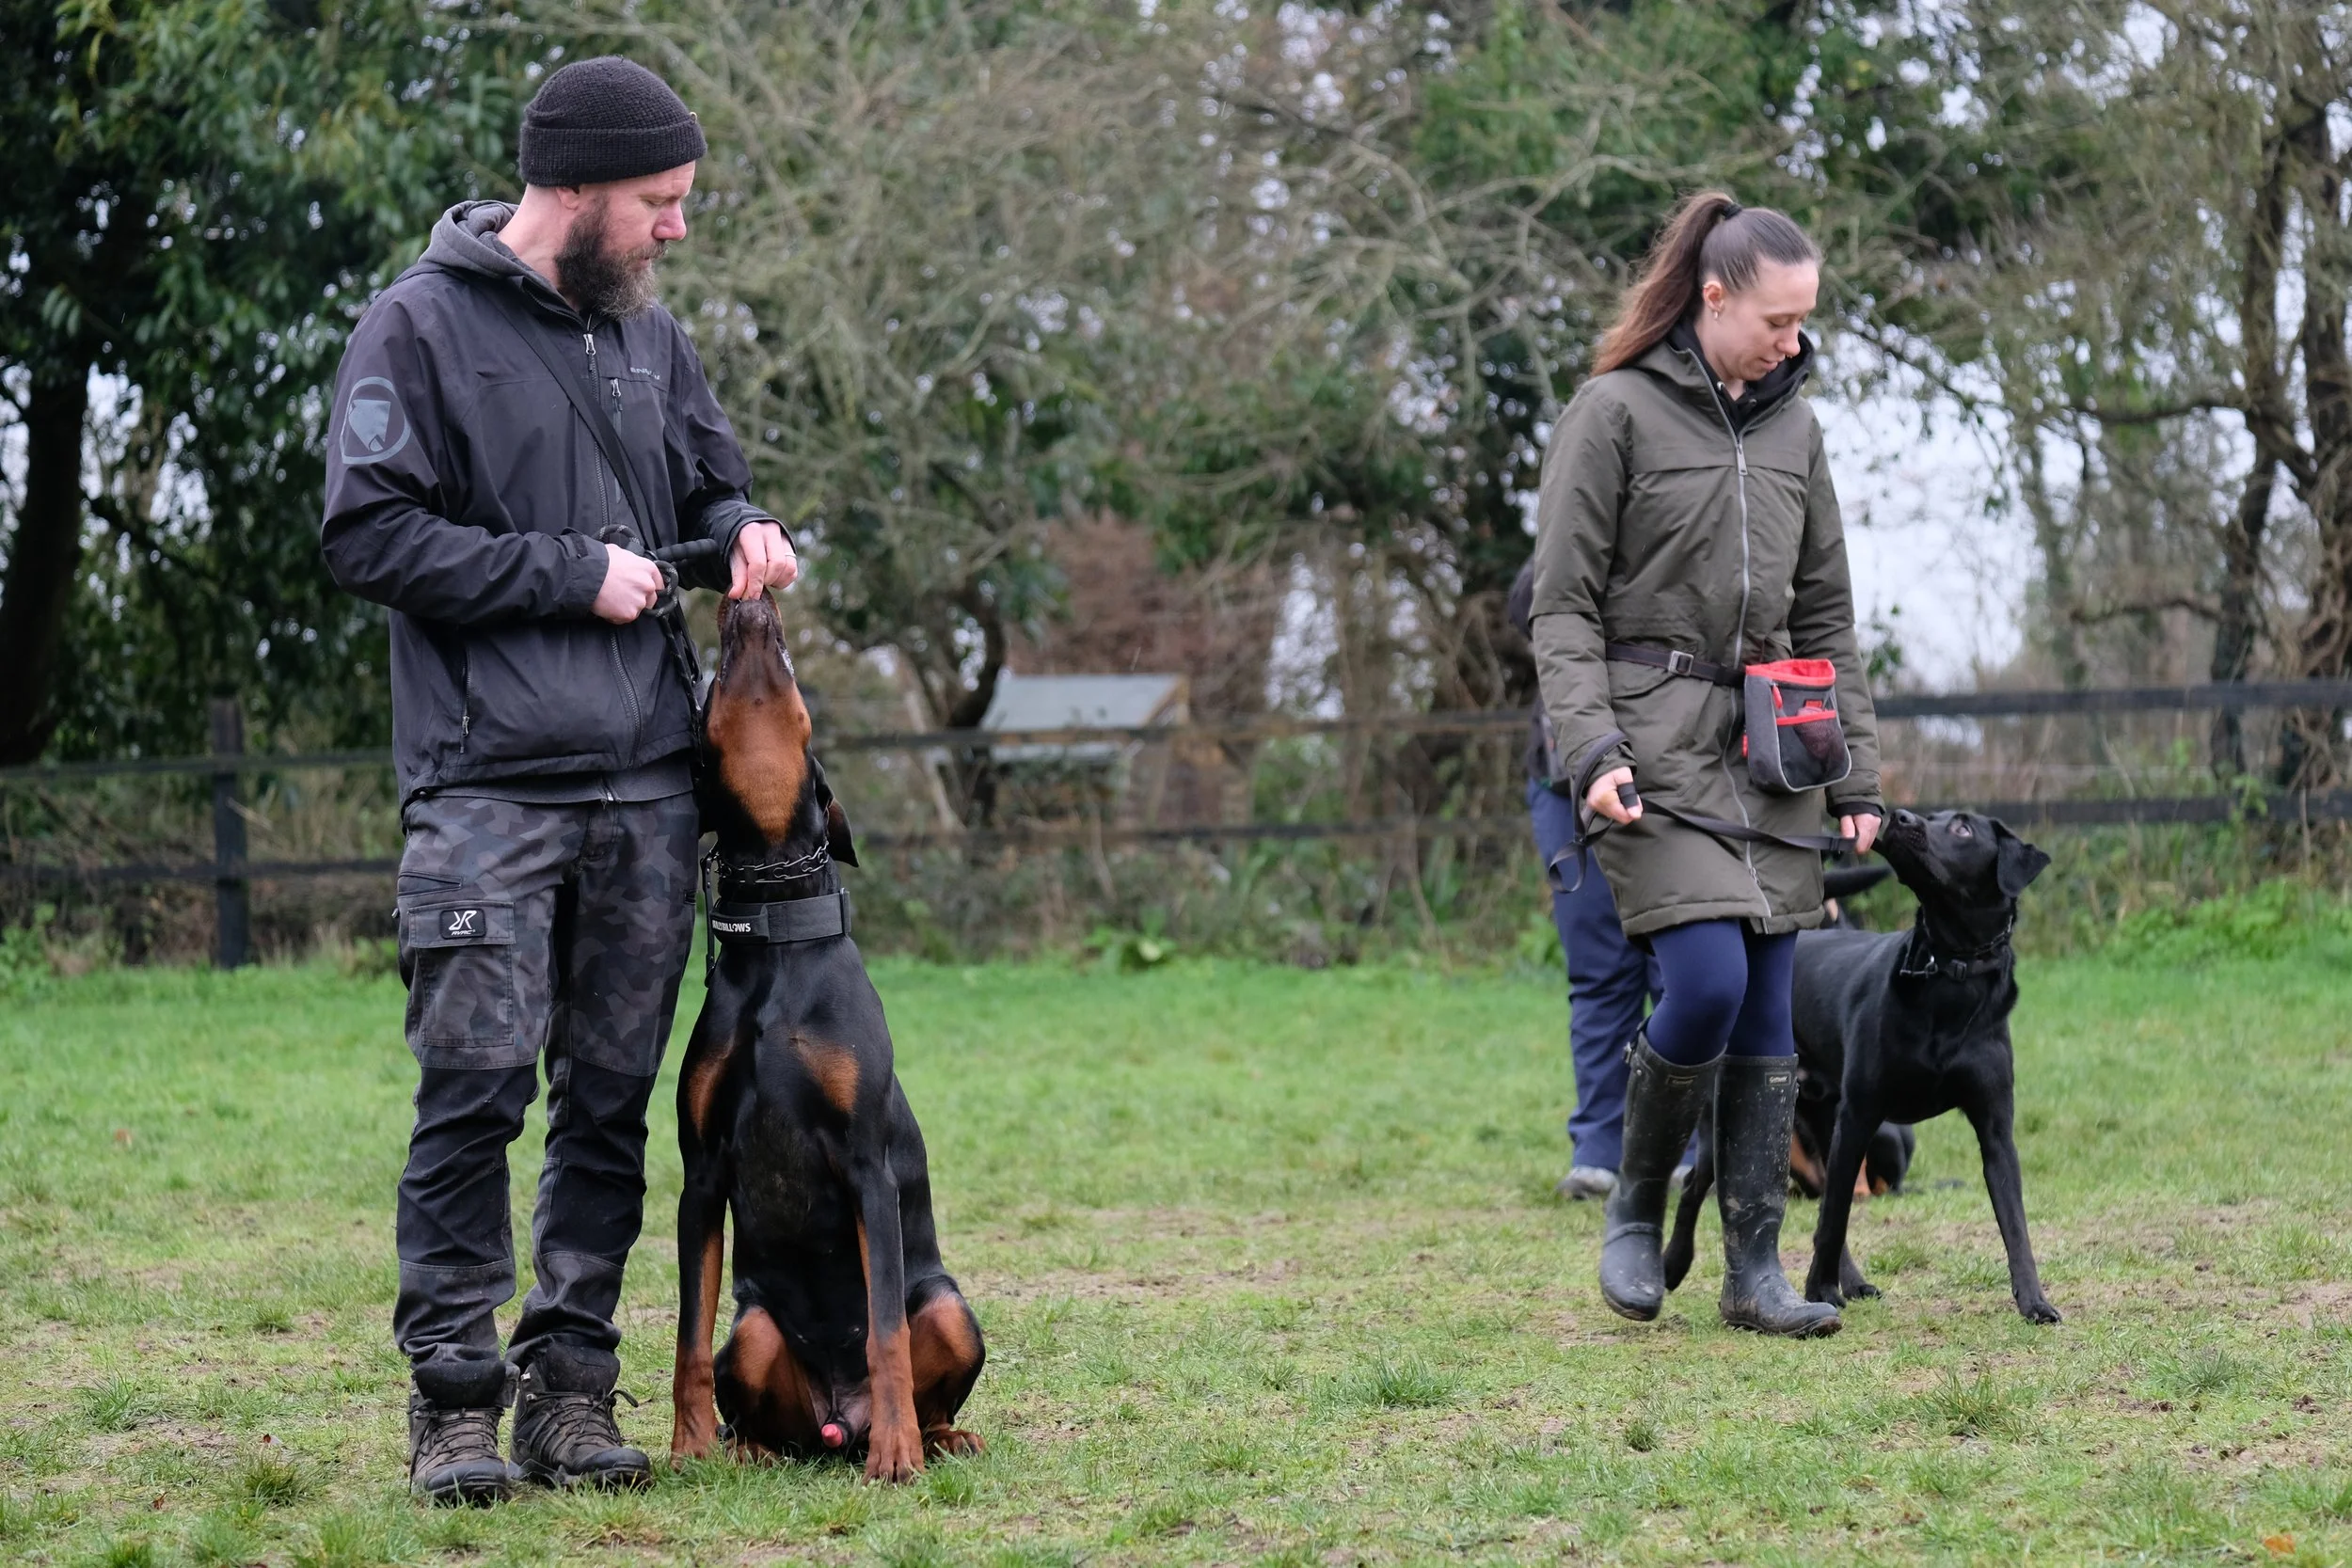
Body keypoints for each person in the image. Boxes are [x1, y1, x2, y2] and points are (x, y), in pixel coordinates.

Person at [320, 57, 800, 1501]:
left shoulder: (651, 339)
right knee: (472, 1096)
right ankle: (456, 1404)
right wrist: (567, 573)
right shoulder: (416, 327)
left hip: (647, 786)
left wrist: (747, 529)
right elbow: (366, 534)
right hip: (486, 790)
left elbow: (711, 488)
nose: (676, 228)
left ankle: (570, 1395)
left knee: (607, 1104)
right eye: (660, 200)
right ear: (577, 187)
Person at [1527, 191, 1884, 1338]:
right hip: (1649, 743)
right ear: (1712, 297)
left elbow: (1825, 614)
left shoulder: (1796, 432)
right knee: (1708, 981)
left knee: (1771, 1002)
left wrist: (1856, 778)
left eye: (1804, 321)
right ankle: (1633, 1206)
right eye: (1777, 320)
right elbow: (1561, 607)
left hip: (1774, 748)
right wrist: (1590, 746)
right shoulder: (1612, 412)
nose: (1793, 341)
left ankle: (1754, 1270)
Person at [1508, 562, 1662, 1201]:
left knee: (1676, 967)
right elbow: (1527, 607)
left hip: (1670, 777)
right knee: (1599, 972)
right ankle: (1599, 1150)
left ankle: (1686, 1146)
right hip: (1564, 781)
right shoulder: (1560, 547)